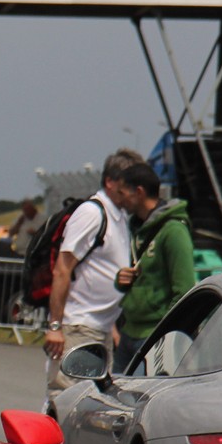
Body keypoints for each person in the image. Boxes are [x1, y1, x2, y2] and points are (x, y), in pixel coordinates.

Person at [43, 149, 141, 405]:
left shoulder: (118, 218)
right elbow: (63, 269)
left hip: (100, 328)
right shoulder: (92, 213)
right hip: (78, 326)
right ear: (110, 182)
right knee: (65, 401)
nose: (133, 191)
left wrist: (112, 326)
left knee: (91, 407)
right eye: (128, 184)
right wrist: (55, 326)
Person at [113, 163, 196, 372]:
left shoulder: (174, 231)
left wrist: (162, 336)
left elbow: (184, 289)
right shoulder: (137, 230)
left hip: (152, 336)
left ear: (139, 192)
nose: (119, 201)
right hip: (129, 332)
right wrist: (122, 280)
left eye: (122, 193)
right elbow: (144, 275)